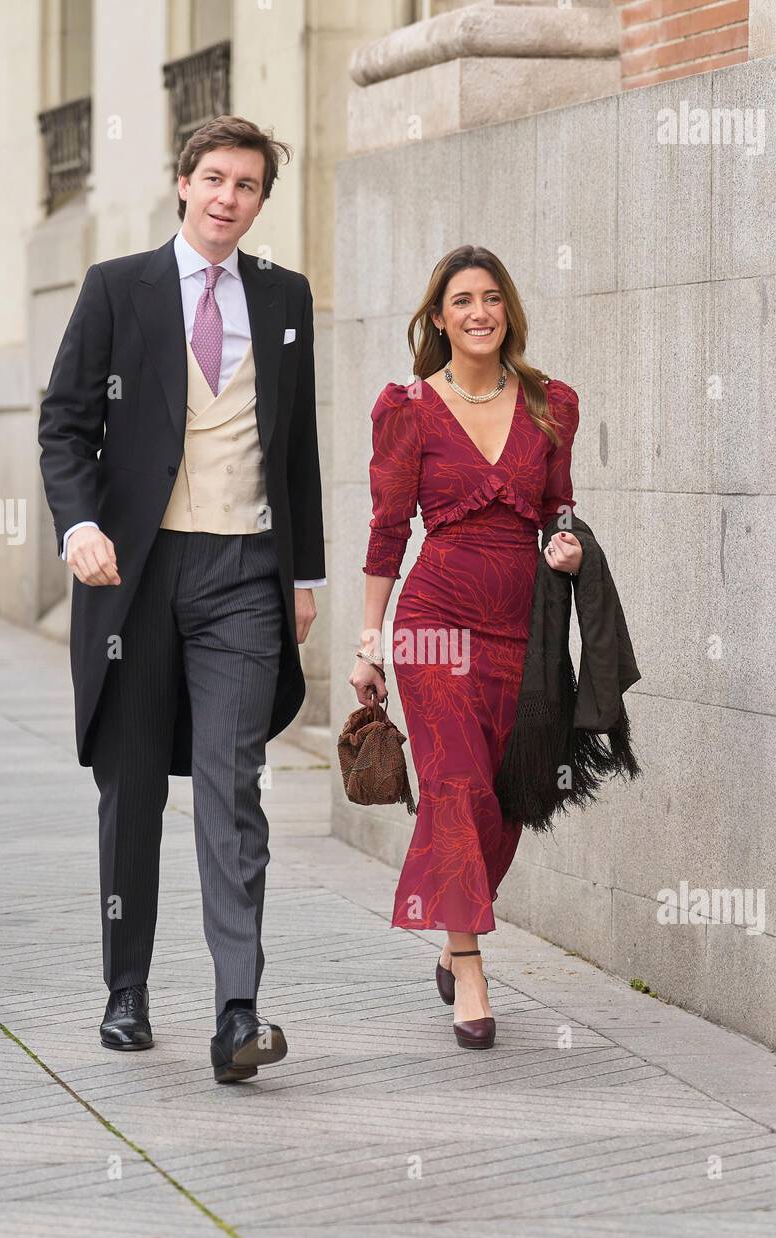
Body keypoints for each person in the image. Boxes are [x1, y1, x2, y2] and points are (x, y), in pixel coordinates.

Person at [38, 115, 325, 1084]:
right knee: (130, 788)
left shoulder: (284, 298)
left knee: (231, 782)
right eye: (213, 178)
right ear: (181, 183)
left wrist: (306, 575)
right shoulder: (119, 287)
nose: (226, 198)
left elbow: (297, 449)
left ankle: (237, 1007)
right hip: (136, 574)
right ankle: (127, 986)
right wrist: (79, 524)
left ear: (258, 201)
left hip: (243, 571)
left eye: (245, 185)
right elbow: (64, 423)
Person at [350, 246, 581, 1051]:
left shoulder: (551, 404)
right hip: (435, 623)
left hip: (525, 629)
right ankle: (472, 966)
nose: (479, 312)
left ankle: (455, 927)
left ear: (507, 311)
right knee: (455, 783)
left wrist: (565, 547)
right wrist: (370, 644)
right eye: (462, 301)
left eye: (492, 298)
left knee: (507, 801)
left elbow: (556, 509)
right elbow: (386, 533)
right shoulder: (408, 408)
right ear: (438, 317)